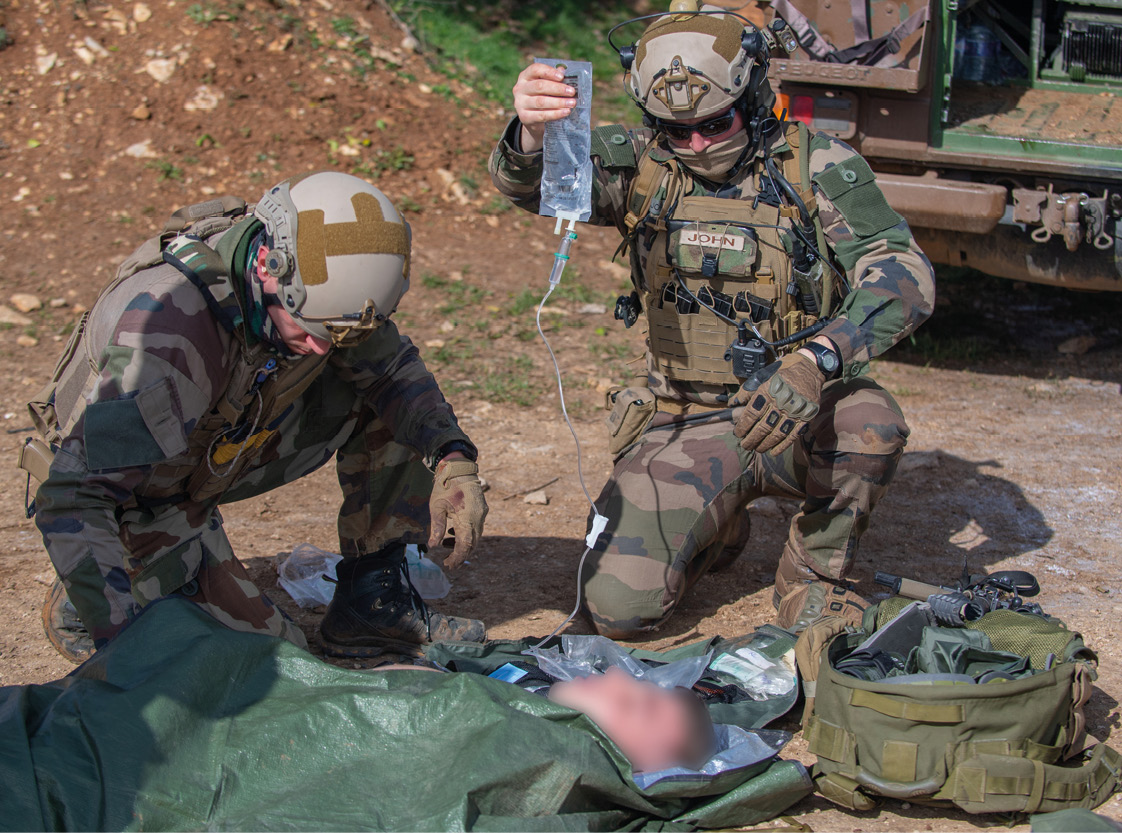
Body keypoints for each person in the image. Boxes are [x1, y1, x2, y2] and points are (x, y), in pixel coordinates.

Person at [490, 1, 935, 637]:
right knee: (619, 611)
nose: (696, 144)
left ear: (750, 97)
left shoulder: (816, 167)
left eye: (715, 123)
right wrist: (533, 132)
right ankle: (717, 520)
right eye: (676, 130)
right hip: (684, 418)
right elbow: (535, 187)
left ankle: (815, 576)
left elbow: (902, 272)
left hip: (794, 410)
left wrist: (816, 363)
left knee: (870, 421)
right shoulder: (643, 165)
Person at [23, 171, 488, 662]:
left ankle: (371, 604)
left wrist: (454, 459)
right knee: (271, 661)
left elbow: (391, 371)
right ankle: (95, 593)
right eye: (311, 328)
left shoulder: (313, 281)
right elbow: (76, 495)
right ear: (268, 264)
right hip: (138, 486)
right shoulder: (167, 332)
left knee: (381, 400)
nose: (321, 346)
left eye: (336, 331)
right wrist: (122, 652)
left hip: (218, 442)